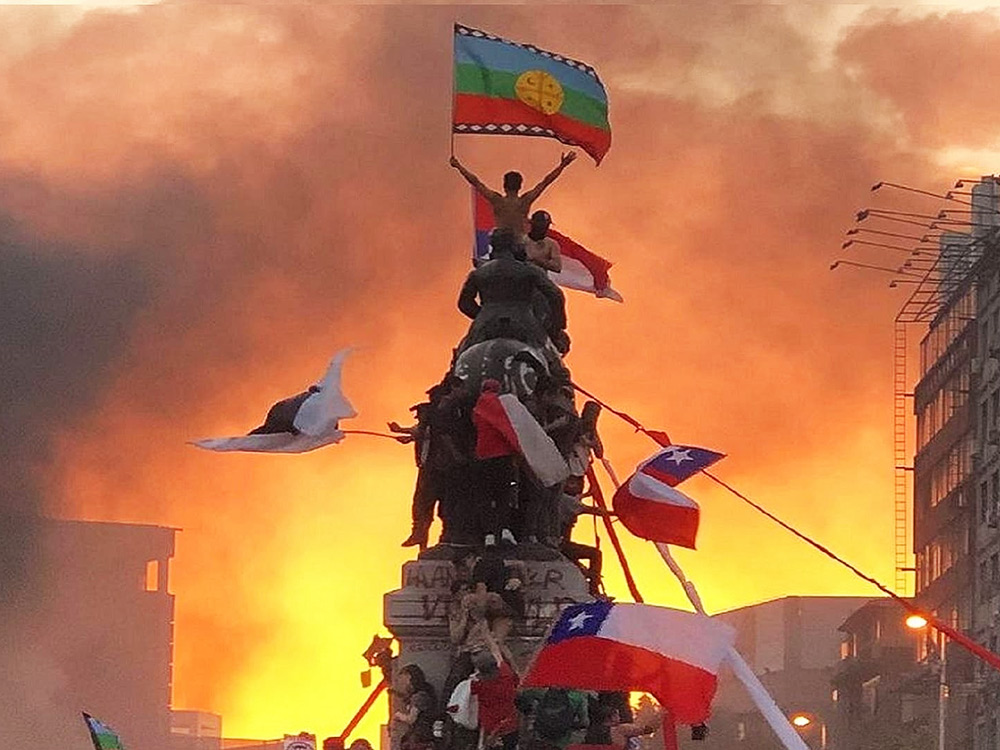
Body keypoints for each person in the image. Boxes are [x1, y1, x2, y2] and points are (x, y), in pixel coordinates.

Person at [457, 228, 567, 355]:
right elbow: (556, 296)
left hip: (485, 325)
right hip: (525, 324)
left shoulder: (478, 273)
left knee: (461, 357)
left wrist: (483, 315)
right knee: (555, 366)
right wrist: (557, 326)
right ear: (515, 247)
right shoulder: (531, 271)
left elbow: (464, 304)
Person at [450, 152, 577, 240]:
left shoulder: (496, 200)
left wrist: (459, 166)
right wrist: (562, 165)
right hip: (519, 246)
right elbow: (546, 182)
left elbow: (475, 182)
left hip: (500, 245)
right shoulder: (525, 201)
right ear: (520, 186)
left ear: (504, 185)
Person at [393, 664, 437, 750]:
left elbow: (411, 719)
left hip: (420, 737)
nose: (403, 683)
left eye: (403, 679)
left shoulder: (419, 696)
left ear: (410, 678)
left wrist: (399, 716)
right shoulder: (423, 693)